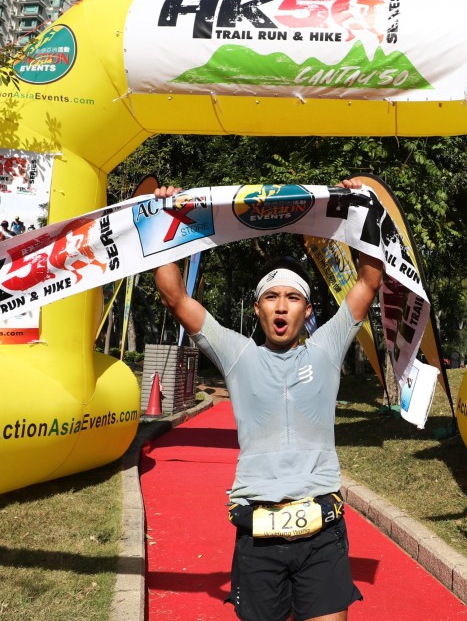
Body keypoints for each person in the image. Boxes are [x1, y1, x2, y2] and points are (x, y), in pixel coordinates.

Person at [154, 178, 384, 621]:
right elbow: (174, 296)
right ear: (257, 309)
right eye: (272, 298)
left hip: (322, 530)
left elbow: (368, 281)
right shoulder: (238, 354)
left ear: (308, 310)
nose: (281, 307)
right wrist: (168, 222)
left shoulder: (327, 347)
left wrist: (365, 206)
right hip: (258, 531)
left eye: (293, 298)